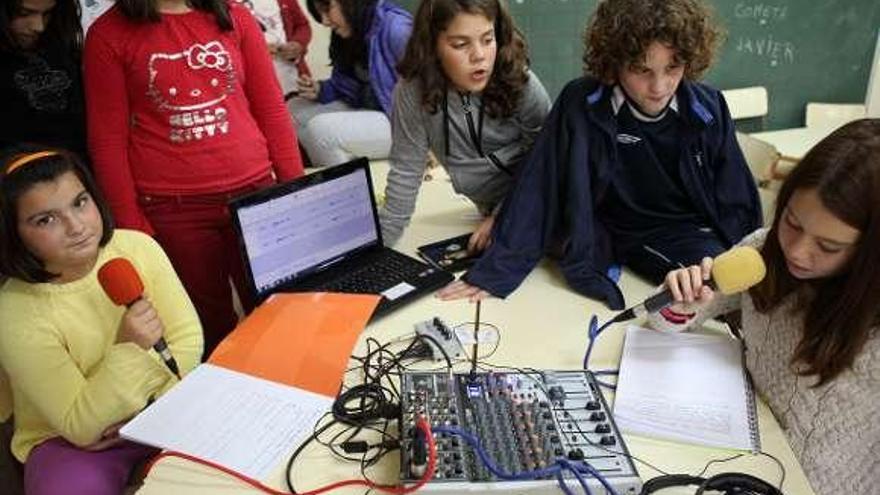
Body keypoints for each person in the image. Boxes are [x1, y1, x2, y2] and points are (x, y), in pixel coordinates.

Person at [439, 0, 761, 308]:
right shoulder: (580, 103)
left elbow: (737, 201)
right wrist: (496, 272)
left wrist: (753, 259)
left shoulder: (708, 107)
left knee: (721, 288)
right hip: (604, 233)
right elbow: (540, 184)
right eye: (642, 70)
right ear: (614, 62)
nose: (660, 87)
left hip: (684, 235)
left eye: (673, 67)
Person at [654, 119, 880, 495]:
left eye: (828, 247)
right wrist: (679, 299)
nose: (796, 250)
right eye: (792, 222)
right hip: (732, 462)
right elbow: (664, 323)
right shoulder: (761, 252)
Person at [83, 0, 305, 355]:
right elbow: (107, 141)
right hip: (175, 208)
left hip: (256, 194)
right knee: (208, 327)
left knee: (280, 309)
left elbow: (271, 108)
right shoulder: (107, 34)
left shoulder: (235, 16)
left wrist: (296, 191)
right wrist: (133, 229)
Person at [0, 146, 203, 495]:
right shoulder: (14, 310)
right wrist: (128, 348)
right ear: (14, 234)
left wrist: (150, 409)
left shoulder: (138, 248)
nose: (76, 226)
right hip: (72, 441)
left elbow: (187, 338)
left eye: (80, 202)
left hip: (163, 404)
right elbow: (80, 425)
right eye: (46, 219)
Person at [378, 0, 551, 249]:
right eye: (460, 44)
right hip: (488, 212)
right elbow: (406, 171)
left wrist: (505, 215)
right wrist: (380, 249)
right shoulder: (411, 92)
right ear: (433, 46)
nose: (479, 55)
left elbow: (548, 162)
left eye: (488, 39)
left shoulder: (520, 80)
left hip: (536, 203)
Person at [292, 0, 411, 166]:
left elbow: (436, 90)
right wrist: (321, 89)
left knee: (321, 131)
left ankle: (346, 185)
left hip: (407, 124)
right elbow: (350, 85)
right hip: (374, 107)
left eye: (327, 9)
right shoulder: (349, 32)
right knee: (293, 111)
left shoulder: (397, 28)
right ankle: (344, 169)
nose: (324, 21)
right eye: (320, 13)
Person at [1, 0, 86, 157]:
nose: (39, 26)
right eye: (24, 14)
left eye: (47, 14)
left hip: (75, 172)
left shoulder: (60, 43)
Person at [236, 0, 312, 97]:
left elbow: (302, 25)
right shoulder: (222, 5)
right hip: (257, 92)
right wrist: (256, 50)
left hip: (296, 84)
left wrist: (298, 44)